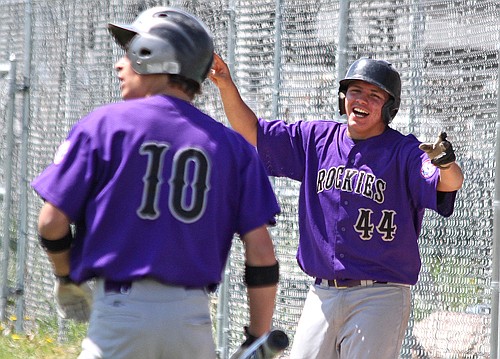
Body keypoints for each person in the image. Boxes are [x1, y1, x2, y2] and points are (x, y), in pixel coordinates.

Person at [31, 7, 281, 359]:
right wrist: (257, 338)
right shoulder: (233, 147)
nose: (120, 64)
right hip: (192, 322)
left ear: (153, 56)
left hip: (121, 314)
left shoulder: (104, 125)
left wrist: (66, 279)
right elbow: (262, 253)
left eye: (129, 52)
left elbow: (51, 222)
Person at [209, 54, 464, 359]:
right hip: (322, 293)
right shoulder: (317, 138)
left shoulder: (404, 151)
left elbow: (448, 182)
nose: (362, 100)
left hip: (379, 295)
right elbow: (252, 131)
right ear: (343, 97)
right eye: (355, 91)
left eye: (374, 95)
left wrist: (446, 164)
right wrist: (225, 83)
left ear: (389, 108)